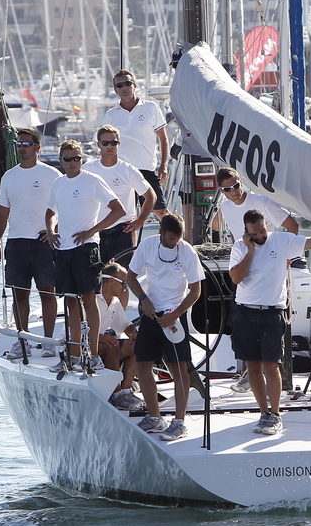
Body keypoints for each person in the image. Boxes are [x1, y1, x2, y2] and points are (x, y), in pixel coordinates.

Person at [230, 195, 311, 435]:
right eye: (254, 234)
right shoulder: (240, 247)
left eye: (262, 232)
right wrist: (249, 250)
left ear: (267, 226)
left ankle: (275, 414)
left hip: (272, 312)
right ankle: (263, 412)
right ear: (246, 232)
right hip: (245, 311)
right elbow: (236, 278)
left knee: (270, 366)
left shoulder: (282, 240)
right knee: (252, 367)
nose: (260, 237)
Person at [216, 166, 299, 393]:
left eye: (235, 185)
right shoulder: (225, 207)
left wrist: (286, 258)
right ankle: (247, 374)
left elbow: (292, 226)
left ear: (241, 181)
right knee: (242, 321)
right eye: (227, 189)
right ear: (221, 192)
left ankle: (280, 379)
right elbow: (232, 236)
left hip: (272, 270)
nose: (234, 192)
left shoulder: (262, 202)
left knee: (277, 323)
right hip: (247, 269)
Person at [44, 140, 126, 371]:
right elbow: (50, 212)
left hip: (86, 248)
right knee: (70, 300)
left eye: (77, 158)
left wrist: (92, 231)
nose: (73, 163)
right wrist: (51, 231)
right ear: (61, 161)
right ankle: (75, 355)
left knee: (89, 299)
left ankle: (93, 353)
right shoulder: (58, 183)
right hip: (63, 249)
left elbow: (118, 209)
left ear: (82, 159)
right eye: (68, 159)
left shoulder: (92, 180)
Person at [127, 213, 205, 441]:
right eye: (171, 239)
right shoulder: (148, 246)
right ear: (161, 233)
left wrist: (176, 313)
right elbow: (131, 277)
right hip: (151, 314)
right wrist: (143, 298)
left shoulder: (187, 251)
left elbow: (195, 290)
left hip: (174, 317)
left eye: (177, 240)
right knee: (142, 365)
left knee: (179, 369)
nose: (174, 243)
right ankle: (155, 416)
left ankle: (179, 422)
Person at [0, 128, 62, 360]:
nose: (22, 148)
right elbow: (2, 211)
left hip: (43, 242)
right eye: (19, 144)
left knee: (47, 293)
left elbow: (64, 207)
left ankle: (49, 342)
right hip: (17, 242)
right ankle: (23, 340)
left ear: (37, 147)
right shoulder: (9, 176)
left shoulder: (52, 175)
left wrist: (54, 231)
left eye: (27, 144)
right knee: (19, 294)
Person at [82, 125, 156, 266]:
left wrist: (140, 220)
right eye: (105, 143)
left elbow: (150, 196)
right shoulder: (88, 169)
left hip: (122, 232)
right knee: (95, 280)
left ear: (119, 144)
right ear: (99, 145)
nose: (110, 146)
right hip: (95, 232)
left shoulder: (128, 170)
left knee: (122, 279)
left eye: (114, 143)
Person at [101, 69, 170, 220]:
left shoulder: (151, 108)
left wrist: (164, 165)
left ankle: (174, 243)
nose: (124, 88)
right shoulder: (110, 115)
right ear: (115, 90)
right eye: (120, 85)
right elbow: (104, 145)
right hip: (122, 172)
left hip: (146, 170)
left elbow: (163, 139)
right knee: (125, 217)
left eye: (128, 83)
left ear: (135, 85)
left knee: (161, 212)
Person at [96, 262, 142, 411]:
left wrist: (135, 335)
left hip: (104, 345)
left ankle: (125, 391)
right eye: (123, 283)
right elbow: (78, 330)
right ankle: (116, 394)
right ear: (109, 281)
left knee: (139, 344)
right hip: (86, 346)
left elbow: (124, 325)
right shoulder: (91, 299)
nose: (125, 288)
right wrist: (101, 337)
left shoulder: (115, 302)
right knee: (113, 345)